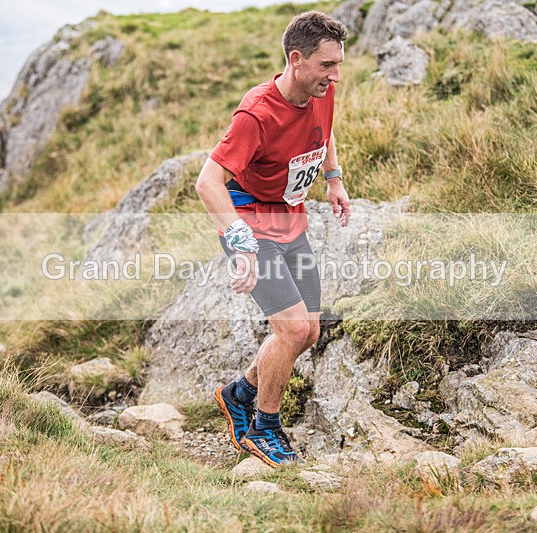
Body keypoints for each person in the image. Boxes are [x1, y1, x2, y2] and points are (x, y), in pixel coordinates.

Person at [195, 10, 351, 467]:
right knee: (292, 327)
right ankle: (265, 427)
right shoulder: (256, 113)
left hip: (290, 219)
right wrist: (240, 244)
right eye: (327, 66)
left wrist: (334, 179)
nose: (335, 75)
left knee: (310, 330)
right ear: (296, 59)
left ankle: (239, 394)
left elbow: (324, 130)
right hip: (249, 223)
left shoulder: (321, 89)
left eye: (339, 64)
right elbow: (208, 182)